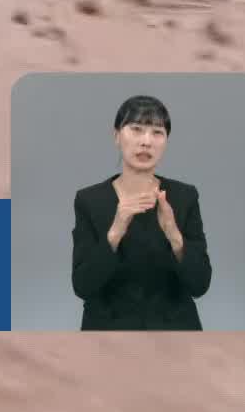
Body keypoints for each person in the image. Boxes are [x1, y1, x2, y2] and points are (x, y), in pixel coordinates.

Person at [70, 94, 211, 329]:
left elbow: (200, 285)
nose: (146, 141)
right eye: (136, 129)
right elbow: (82, 287)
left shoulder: (184, 197)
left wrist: (174, 234)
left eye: (157, 132)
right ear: (116, 136)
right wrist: (115, 231)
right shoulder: (90, 200)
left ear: (166, 141)